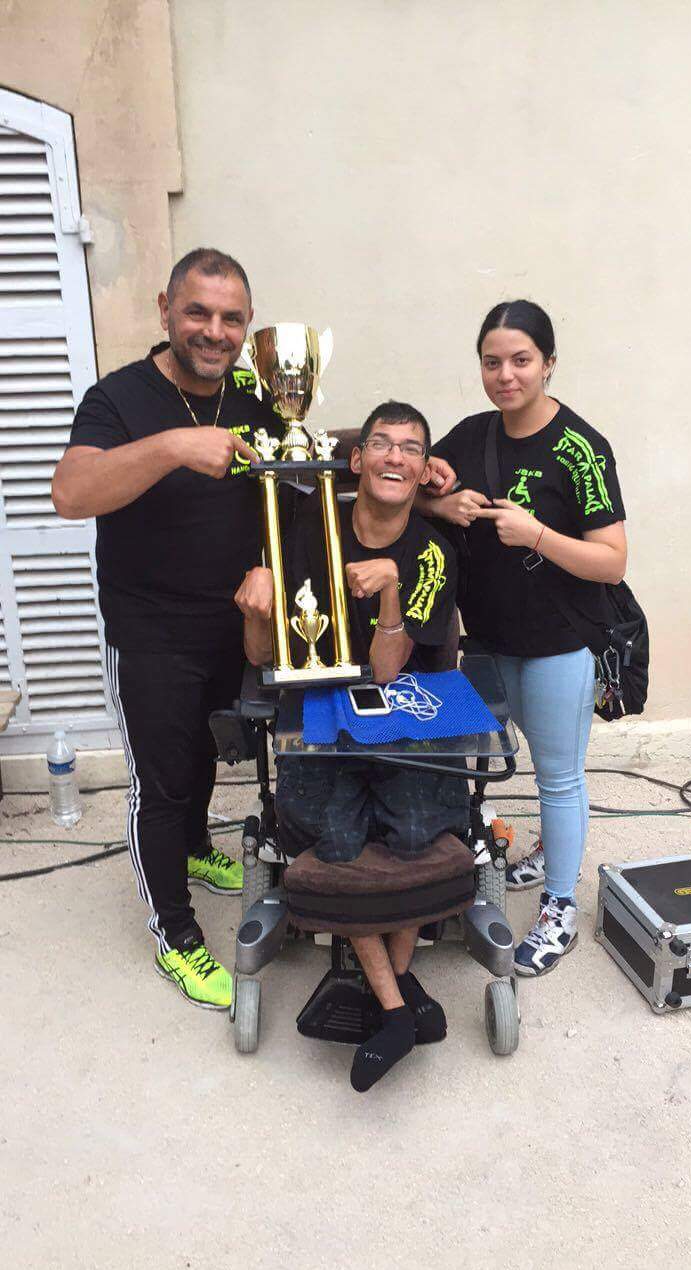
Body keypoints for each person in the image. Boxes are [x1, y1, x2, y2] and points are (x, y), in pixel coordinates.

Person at [52, 247, 278, 1011]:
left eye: (231, 319)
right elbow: (71, 493)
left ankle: (195, 847)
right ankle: (175, 935)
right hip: (150, 631)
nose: (214, 331)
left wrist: (388, 456)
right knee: (162, 781)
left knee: (205, 751)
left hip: (233, 622)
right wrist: (173, 447)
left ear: (247, 325)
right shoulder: (118, 398)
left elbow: (293, 463)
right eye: (198, 313)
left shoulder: (251, 396)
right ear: (164, 310)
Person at [236, 401, 469, 1090]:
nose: (395, 457)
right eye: (381, 444)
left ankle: (388, 999)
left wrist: (391, 588)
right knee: (336, 837)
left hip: (403, 707)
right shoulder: (305, 531)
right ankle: (400, 1003)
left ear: (424, 470)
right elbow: (261, 656)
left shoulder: (432, 552)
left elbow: (390, 669)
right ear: (358, 460)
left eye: (411, 448)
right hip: (318, 706)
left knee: (418, 830)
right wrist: (255, 611)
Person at [424, 300, 627, 977]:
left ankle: (560, 906)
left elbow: (612, 561)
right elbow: (408, 490)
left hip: (558, 645)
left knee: (559, 778)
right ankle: (536, 857)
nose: (505, 375)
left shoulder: (580, 447)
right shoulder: (470, 435)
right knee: (478, 766)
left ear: (548, 364)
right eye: (492, 362)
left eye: (520, 360)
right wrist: (438, 503)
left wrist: (536, 534)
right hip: (484, 642)